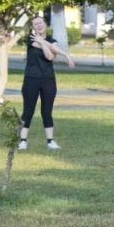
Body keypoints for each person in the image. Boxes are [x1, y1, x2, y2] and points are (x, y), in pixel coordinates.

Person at [18, 15, 75, 151]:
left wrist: (44, 43)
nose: (38, 25)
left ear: (45, 24)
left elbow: (49, 56)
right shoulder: (31, 38)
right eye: (35, 24)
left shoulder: (52, 40)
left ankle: (50, 141)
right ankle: (23, 141)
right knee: (28, 110)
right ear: (33, 27)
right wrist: (45, 44)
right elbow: (49, 53)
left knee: (47, 111)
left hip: (48, 79)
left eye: (40, 23)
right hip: (31, 79)